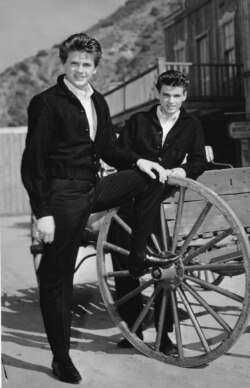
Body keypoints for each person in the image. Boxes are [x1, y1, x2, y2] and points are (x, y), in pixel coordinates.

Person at [21, 33, 168, 384]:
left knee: (150, 178)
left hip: (93, 187)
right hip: (62, 196)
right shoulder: (47, 102)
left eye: (87, 64)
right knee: (58, 281)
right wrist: (42, 213)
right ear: (64, 64)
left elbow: (108, 150)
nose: (80, 69)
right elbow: (33, 162)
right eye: (74, 63)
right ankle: (61, 359)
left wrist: (140, 161)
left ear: (96, 67)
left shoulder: (98, 101)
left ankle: (136, 254)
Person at [109, 70, 207, 354]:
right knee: (125, 269)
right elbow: (120, 154)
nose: (171, 101)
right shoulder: (139, 121)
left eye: (177, 96)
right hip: (130, 204)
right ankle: (133, 330)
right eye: (166, 95)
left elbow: (199, 160)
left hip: (163, 210)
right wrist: (141, 164)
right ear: (157, 93)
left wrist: (183, 169)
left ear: (184, 96)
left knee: (166, 269)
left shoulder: (191, 124)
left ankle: (164, 337)